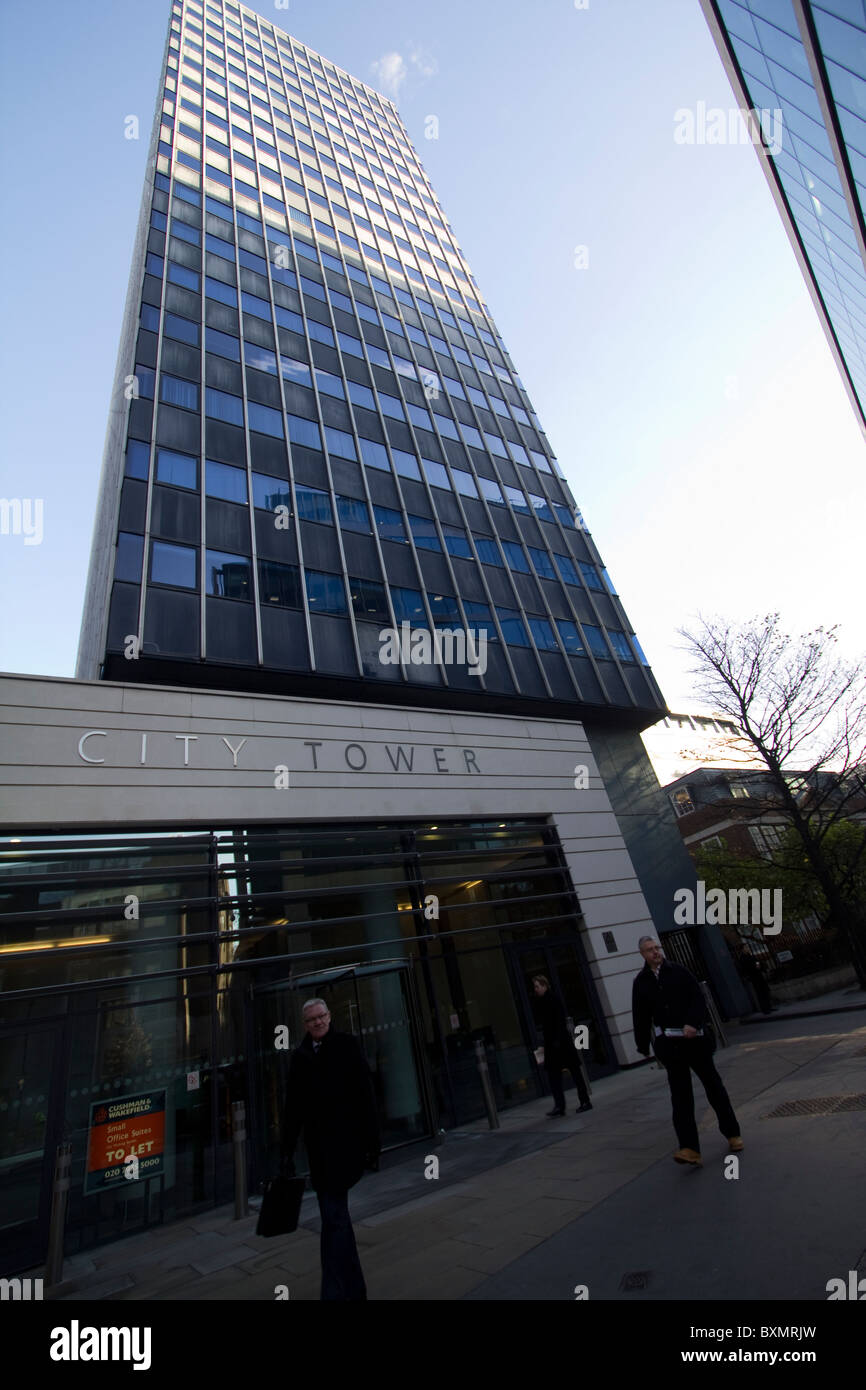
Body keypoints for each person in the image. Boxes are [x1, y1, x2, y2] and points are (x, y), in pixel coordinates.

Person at [280, 998, 380, 1301]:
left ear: (330, 1015)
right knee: (335, 1220)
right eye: (311, 1020)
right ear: (305, 1024)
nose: (318, 1023)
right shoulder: (300, 1057)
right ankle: (352, 1290)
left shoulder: (346, 1045)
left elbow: (366, 1094)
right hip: (320, 1152)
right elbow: (293, 1108)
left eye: (321, 1016)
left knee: (334, 1219)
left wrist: (372, 1144)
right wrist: (285, 1151)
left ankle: (335, 1292)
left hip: (346, 1146)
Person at [632, 936, 743, 1167]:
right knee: (681, 1097)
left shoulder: (679, 971)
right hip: (671, 1047)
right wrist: (642, 1045)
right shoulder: (641, 982)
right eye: (650, 950)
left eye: (656, 948)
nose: (655, 952)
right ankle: (689, 1148)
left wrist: (693, 1022)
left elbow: (698, 999)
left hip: (695, 1042)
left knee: (714, 1087)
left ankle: (733, 1134)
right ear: (642, 954)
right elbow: (640, 1015)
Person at [532, 975, 592, 1117]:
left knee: (574, 1073)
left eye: (537, 986)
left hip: (561, 1043)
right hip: (554, 1044)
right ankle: (560, 1105)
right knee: (555, 1076)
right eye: (535, 987)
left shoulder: (552, 999)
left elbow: (559, 1020)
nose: (535, 989)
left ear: (545, 985)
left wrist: (556, 1040)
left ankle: (583, 1101)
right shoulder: (542, 1001)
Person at [736, 947, 773, 1014]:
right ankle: (765, 1009)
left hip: (759, 975)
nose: (748, 949)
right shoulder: (743, 958)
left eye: (748, 948)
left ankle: (769, 1006)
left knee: (765, 991)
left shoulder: (751, 956)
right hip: (754, 977)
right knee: (760, 993)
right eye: (746, 948)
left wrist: (758, 966)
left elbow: (757, 962)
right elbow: (746, 968)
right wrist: (755, 966)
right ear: (743, 950)